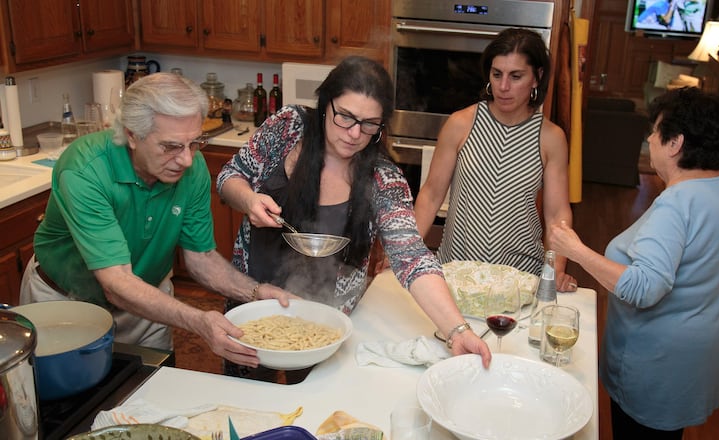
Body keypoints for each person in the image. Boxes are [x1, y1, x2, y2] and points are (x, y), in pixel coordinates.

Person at [217, 56, 491, 375]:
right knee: (246, 398)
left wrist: (459, 331)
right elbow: (229, 177)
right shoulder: (288, 127)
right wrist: (249, 199)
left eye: (369, 124)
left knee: (315, 409)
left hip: (326, 324)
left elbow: (413, 258)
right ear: (325, 104)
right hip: (250, 303)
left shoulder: (383, 180)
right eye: (345, 117)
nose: (354, 134)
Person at [20, 73, 293, 369]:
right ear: (133, 135)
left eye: (194, 143)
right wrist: (199, 321)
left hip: (147, 305)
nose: (187, 160)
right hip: (66, 304)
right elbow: (117, 282)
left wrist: (254, 291)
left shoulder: (192, 169)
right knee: (67, 406)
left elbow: (200, 256)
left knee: (149, 395)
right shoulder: (86, 170)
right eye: (171, 146)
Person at [548, 87, 719, 438]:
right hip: (699, 355)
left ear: (675, 143)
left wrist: (575, 249)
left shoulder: (677, 203)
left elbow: (645, 287)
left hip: (658, 360)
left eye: (656, 131)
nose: (651, 139)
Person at [413, 28, 577, 291]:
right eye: (497, 74)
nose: (503, 87)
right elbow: (431, 195)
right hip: (456, 270)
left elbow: (557, 214)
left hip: (521, 276)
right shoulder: (460, 124)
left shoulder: (551, 138)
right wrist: (405, 254)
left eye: (516, 76)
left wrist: (555, 271)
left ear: (537, 77)